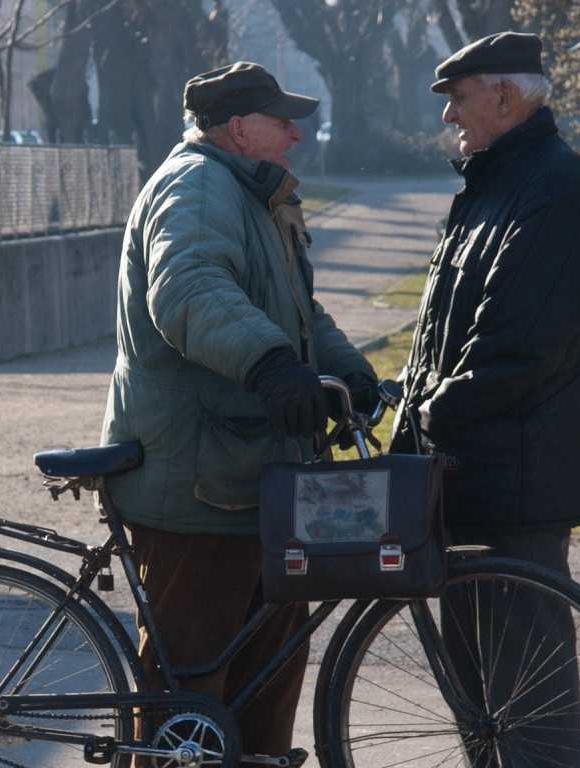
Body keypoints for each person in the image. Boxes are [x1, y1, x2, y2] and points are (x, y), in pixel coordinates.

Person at [99, 61, 377, 762]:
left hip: (256, 477)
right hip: (198, 485)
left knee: (268, 680)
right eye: (282, 120)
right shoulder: (195, 188)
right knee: (189, 694)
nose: (296, 133)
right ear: (237, 128)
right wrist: (271, 365)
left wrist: (349, 373)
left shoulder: (254, 193)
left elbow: (298, 310)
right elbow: (188, 291)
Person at [390, 32, 580, 767]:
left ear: (506, 98)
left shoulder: (553, 185)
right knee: (483, 711)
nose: (451, 115)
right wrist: (410, 403)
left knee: (527, 715)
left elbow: (520, 345)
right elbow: (444, 333)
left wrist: (429, 413)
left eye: (460, 96)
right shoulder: (493, 185)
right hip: (474, 478)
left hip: (517, 482)